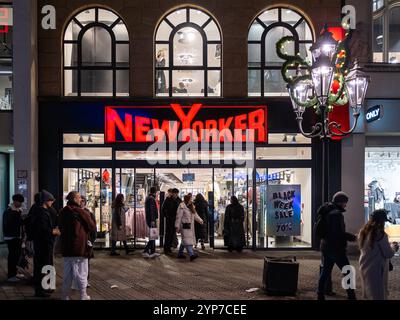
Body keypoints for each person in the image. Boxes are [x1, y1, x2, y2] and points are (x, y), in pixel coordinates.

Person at [316, 191, 357, 300]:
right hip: (336, 249)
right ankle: (351, 296)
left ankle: (320, 294)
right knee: (348, 272)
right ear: (340, 202)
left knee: (325, 272)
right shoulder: (336, 214)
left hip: (326, 247)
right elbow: (338, 233)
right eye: (345, 202)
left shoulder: (327, 211)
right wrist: (353, 237)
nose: (346, 205)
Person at [59, 191, 96, 300]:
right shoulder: (81, 212)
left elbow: (60, 226)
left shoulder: (62, 212)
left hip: (67, 247)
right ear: (75, 199)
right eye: (80, 198)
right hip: (80, 246)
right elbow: (92, 226)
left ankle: (65, 296)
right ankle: (83, 295)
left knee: (67, 273)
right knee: (81, 272)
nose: (81, 200)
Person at [359, 209, 399, 300]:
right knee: (378, 296)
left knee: (368, 295)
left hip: (365, 268)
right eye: (384, 222)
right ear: (381, 222)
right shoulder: (380, 234)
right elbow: (388, 253)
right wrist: (394, 247)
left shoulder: (363, 232)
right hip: (376, 270)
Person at [31, 190, 60, 298]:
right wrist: (54, 231)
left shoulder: (42, 211)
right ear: (45, 201)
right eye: (50, 200)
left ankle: (43, 288)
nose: (52, 202)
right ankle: (40, 290)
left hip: (43, 243)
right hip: (43, 244)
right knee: (42, 266)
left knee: (43, 266)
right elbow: (43, 229)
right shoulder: (41, 212)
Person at [3, 194, 24, 282]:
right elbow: (13, 224)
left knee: (15, 255)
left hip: (14, 236)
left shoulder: (15, 211)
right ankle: (11, 275)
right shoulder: (11, 211)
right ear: (15, 201)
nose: (21, 204)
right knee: (13, 256)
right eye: (20, 202)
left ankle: (14, 273)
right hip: (12, 237)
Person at [175, 194, 203, 261]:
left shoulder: (191, 206)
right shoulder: (182, 206)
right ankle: (191, 254)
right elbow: (179, 217)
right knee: (187, 240)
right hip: (184, 226)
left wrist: (200, 220)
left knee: (184, 240)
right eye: (190, 199)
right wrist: (177, 226)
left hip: (190, 226)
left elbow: (195, 215)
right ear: (187, 199)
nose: (192, 200)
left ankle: (180, 253)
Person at [80, 196, 97, 286]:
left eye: (83, 201)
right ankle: (77, 280)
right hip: (78, 241)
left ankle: (86, 280)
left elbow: (94, 229)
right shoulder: (74, 212)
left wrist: (91, 240)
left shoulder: (89, 214)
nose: (81, 202)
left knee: (86, 261)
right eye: (80, 200)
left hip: (87, 240)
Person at [162, 188, 181, 254]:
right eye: (174, 193)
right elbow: (163, 209)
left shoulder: (179, 200)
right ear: (172, 193)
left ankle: (169, 248)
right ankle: (166, 249)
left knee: (173, 234)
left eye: (177, 193)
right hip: (169, 220)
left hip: (176, 220)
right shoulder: (167, 200)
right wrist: (167, 216)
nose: (176, 195)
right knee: (168, 234)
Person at [143, 186, 160, 258]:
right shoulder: (151, 199)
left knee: (153, 235)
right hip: (151, 220)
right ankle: (146, 251)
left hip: (150, 219)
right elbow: (151, 210)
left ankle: (152, 252)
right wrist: (153, 220)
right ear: (155, 192)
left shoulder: (149, 198)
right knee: (153, 236)